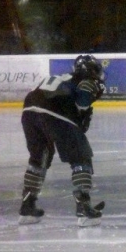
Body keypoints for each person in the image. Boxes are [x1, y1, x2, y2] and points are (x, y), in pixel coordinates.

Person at [18, 54, 106, 227]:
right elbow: (82, 103)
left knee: (39, 157)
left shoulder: (63, 77)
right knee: (80, 156)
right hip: (55, 110)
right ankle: (83, 207)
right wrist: (85, 110)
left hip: (29, 109)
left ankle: (27, 206)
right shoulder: (87, 81)